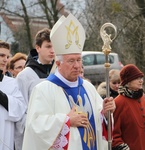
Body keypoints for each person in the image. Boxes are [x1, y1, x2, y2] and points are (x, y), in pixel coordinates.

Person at [22, 13, 115, 150]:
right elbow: (35, 127)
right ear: (58, 63)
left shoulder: (88, 87)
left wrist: (106, 114)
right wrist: (66, 121)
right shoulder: (43, 90)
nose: (77, 65)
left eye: (79, 60)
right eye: (71, 61)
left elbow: (99, 123)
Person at [15, 28, 55, 150]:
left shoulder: (59, 73)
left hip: (56, 132)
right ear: (38, 48)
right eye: (48, 46)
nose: (52, 50)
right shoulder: (25, 76)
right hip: (34, 135)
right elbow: (21, 111)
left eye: (54, 46)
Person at [112, 64, 145, 150]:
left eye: (141, 78)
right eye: (136, 78)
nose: (140, 81)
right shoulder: (118, 103)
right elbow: (114, 135)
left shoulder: (144, 98)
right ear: (127, 82)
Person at [0, 40, 26, 150]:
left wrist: (2, 96)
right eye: (1, 55)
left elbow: (20, 109)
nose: (5, 59)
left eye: (7, 56)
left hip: (4, 136)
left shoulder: (12, 83)